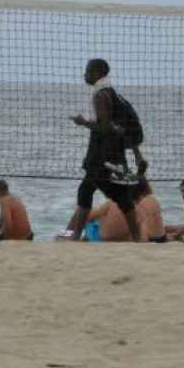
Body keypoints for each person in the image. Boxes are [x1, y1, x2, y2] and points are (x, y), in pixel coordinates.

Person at [62, 58, 141, 244]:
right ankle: (136, 237)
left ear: (98, 73)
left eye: (88, 71)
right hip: (114, 153)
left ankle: (74, 236)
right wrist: (138, 155)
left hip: (102, 155)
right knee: (112, 194)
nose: (85, 75)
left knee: (94, 192)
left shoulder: (101, 95)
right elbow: (120, 126)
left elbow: (104, 127)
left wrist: (83, 122)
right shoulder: (114, 94)